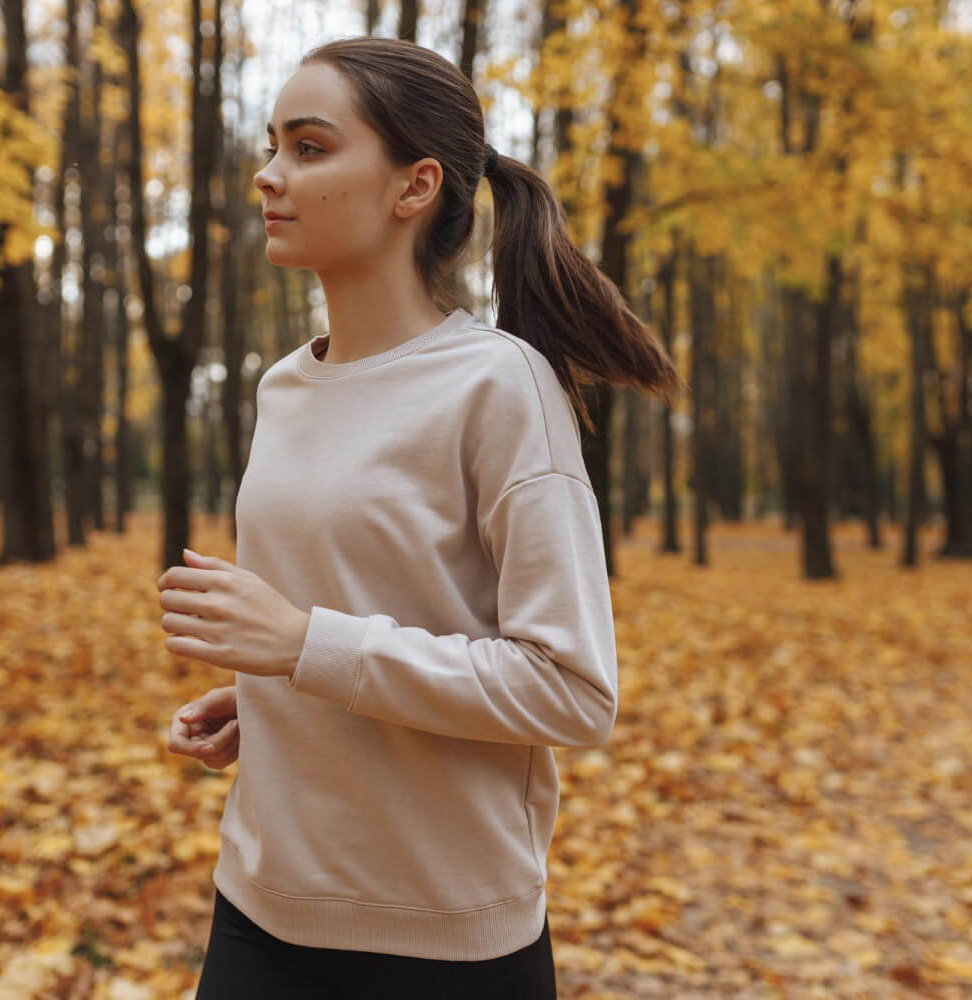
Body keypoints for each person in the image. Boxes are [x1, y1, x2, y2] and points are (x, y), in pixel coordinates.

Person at [156, 35, 680, 999]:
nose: (268, 176)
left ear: (415, 187)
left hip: (445, 939)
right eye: (272, 147)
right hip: (261, 906)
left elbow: (570, 689)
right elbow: (357, 624)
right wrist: (272, 698)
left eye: (309, 148)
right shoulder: (283, 386)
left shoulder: (501, 387)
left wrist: (305, 646)